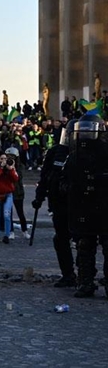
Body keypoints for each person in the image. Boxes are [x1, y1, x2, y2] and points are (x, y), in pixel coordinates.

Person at [60, 115, 108, 298]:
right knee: (84, 246)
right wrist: (70, 188)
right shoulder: (75, 155)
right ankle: (86, 283)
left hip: (104, 207)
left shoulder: (105, 152)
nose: (87, 134)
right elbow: (64, 180)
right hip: (83, 208)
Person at [33, 119, 78, 288]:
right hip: (59, 204)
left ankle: (86, 277)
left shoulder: (94, 152)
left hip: (84, 205)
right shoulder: (56, 152)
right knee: (61, 240)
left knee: (85, 242)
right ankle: (68, 275)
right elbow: (45, 177)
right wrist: (39, 196)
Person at [0, 151, 18, 244]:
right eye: (1, 159)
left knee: (6, 215)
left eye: (5, 159)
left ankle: (7, 235)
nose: (4, 161)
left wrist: (11, 169)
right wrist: (1, 167)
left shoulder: (10, 168)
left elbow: (15, 178)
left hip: (8, 194)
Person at [3, 147, 29, 240]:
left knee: (20, 212)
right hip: (8, 191)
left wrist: (12, 168)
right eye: (8, 157)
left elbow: (18, 177)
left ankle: (24, 230)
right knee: (8, 213)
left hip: (18, 192)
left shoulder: (20, 166)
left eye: (12, 157)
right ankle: (11, 231)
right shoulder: (4, 166)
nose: (10, 159)